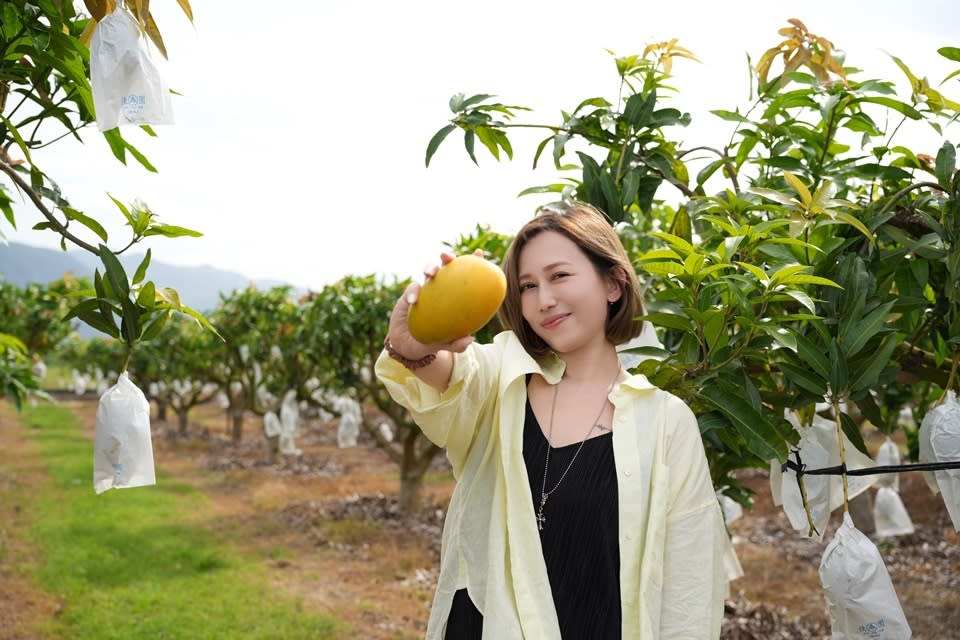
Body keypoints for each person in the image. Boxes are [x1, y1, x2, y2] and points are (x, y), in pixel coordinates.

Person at [376, 201, 739, 639]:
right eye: (527, 286)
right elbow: (447, 374)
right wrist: (412, 343)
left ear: (612, 283)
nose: (543, 300)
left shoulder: (664, 421)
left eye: (559, 276)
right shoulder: (501, 378)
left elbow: (689, 582)